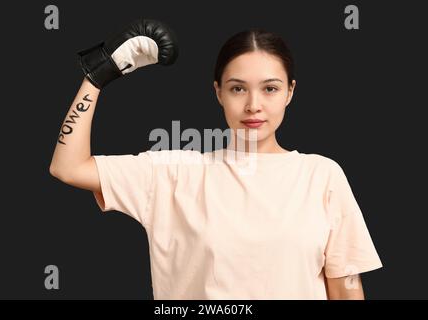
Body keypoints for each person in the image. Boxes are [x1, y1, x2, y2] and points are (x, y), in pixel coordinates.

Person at [49, 20, 383, 300]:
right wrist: (96, 76)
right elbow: (68, 167)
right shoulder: (175, 173)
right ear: (218, 92)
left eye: (270, 88)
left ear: (290, 92)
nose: (254, 105)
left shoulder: (321, 175)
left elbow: (345, 287)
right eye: (238, 89)